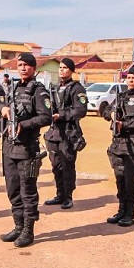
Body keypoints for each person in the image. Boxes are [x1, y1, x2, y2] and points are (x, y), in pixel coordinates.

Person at [0, 53, 52, 247]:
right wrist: (2, 109)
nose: (22, 68)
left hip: (27, 148)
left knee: (27, 191)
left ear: (33, 67)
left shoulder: (39, 91)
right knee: (12, 189)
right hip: (9, 146)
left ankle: (28, 230)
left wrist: (25, 124)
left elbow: (46, 117)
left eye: (26, 65)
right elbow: (2, 105)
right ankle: (18, 226)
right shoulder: (12, 88)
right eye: (19, 65)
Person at [102, 66, 134, 227]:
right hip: (118, 144)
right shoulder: (121, 96)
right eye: (129, 78)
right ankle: (121, 210)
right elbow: (105, 110)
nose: (131, 81)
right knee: (120, 179)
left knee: (131, 180)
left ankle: (130, 213)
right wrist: (111, 114)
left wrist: (123, 124)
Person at [43, 58, 87, 209]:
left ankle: (68, 196)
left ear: (71, 70)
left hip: (69, 132)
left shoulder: (77, 88)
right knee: (56, 165)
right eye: (60, 67)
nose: (61, 70)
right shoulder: (54, 88)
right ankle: (59, 193)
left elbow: (80, 111)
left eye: (65, 68)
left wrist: (61, 115)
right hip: (54, 132)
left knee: (67, 165)